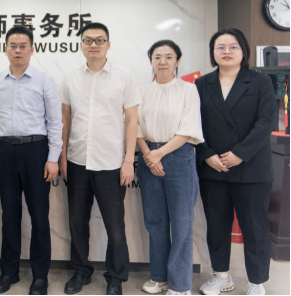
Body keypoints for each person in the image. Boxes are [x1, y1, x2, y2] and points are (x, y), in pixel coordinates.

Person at [59, 23, 141, 296]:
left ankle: (115, 277)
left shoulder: (124, 77)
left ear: (108, 44)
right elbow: (65, 118)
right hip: (77, 161)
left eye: (99, 40)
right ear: (81, 44)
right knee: (77, 223)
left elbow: (132, 120)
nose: (93, 45)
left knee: (115, 226)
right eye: (88, 40)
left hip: (111, 163)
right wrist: (62, 156)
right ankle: (80, 271)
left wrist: (128, 161)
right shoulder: (70, 77)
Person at [196, 29, 277, 296]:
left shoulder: (260, 82)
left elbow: (266, 122)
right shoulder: (201, 84)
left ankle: (256, 281)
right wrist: (206, 153)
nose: (227, 51)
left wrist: (239, 153)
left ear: (244, 51)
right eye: (220, 47)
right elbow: (192, 124)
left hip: (251, 168)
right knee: (217, 227)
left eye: (233, 46)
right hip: (213, 168)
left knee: (255, 227)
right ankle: (221, 276)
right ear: (213, 53)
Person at [0, 26, 63, 296]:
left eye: (23, 46)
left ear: (32, 49)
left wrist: (53, 158)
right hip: (5, 151)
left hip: (36, 151)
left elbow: (55, 123)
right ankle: (9, 271)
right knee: (9, 215)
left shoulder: (44, 81)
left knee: (39, 216)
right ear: (5, 49)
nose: (17, 50)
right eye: (13, 46)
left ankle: (40, 276)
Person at [136, 40, 204, 296]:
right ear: (151, 61)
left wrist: (159, 154)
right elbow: (134, 127)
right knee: (155, 222)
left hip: (179, 156)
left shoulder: (188, 89)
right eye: (157, 57)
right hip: (148, 156)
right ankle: (159, 277)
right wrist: (149, 155)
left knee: (181, 223)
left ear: (177, 61)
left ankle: (180, 284)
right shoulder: (141, 91)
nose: (162, 61)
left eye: (168, 56)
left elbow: (188, 128)